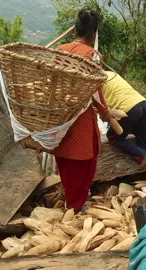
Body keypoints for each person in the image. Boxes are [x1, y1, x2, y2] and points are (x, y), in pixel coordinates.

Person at [53, 8, 112, 212]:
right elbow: (96, 92)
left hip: (60, 116)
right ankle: (75, 205)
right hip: (80, 118)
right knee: (84, 160)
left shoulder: (60, 50)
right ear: (94, 33)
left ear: (75, 29)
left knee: (64, 156)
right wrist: (105, 112)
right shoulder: (93, 56)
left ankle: (71, 197)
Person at [104, 71, 146, 183]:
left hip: (127, 109)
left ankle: (141, 155)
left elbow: (102, 108)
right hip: (142, 103)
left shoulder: (93, 82)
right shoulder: (110, 74)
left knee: (113, 136)